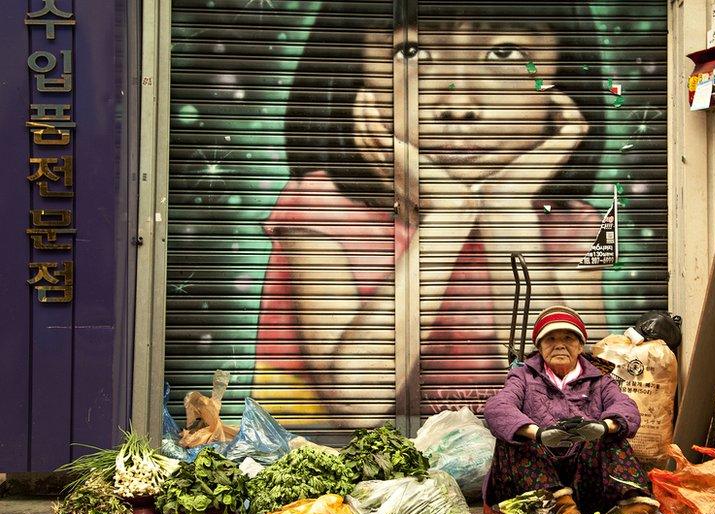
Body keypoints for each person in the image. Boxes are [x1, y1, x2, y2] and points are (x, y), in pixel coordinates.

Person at [253, 4, 611, 416]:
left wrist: (507, 205)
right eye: (413, 52)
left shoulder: (570, 224)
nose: (458, 103)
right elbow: (359, 403)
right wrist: (449, 214)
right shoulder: (322, 206)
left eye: (506, 52)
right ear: (353, 75)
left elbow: (574, 406)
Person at [483, 306, 659, 514]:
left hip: (586, 479)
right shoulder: (523, 375)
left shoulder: (600, 379)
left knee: (614, 437)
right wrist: (538, 433)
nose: (560, 345)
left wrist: (603, 427)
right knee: (512, 438)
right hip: (537, 480)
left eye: (568, 338)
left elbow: (625, 406)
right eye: (551, 338)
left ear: (580, 345)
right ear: (539, 345)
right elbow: (497, 407)